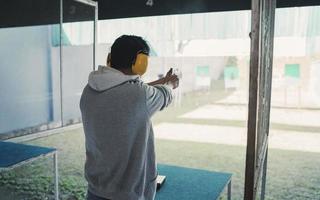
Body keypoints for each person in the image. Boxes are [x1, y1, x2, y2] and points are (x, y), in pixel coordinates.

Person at [80, 35, 179, 200]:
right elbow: (163, 94)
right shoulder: (139, 96)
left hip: (95, 191)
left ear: (110, 59)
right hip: (128, 194)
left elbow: (130, 91)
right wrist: (170, 83)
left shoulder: (89, 90)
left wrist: (162, 80)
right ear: (141, 62)